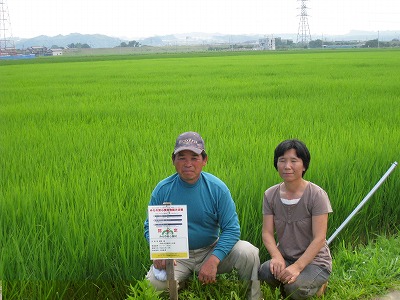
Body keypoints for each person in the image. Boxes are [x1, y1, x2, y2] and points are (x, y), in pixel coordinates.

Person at [144, 131, 261, 299]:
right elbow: (149, 226)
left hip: (209, 249)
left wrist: (214, 259)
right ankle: (180, 281)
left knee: (248, 252)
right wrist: (160, 253)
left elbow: (232, 229)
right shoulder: (163, 189)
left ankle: (253, 296)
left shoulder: (216, 188)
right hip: (177, 256)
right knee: (152, 287)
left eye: (194, 157)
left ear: (204, 160)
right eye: (182, 157)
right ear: (173, 160)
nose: (188, 163)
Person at [259, 139, 333, 299]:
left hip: (315, 262)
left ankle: (318, 286)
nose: (287, 166)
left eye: (294, 161)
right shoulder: (270, 195)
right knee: (264, 272)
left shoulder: (316, 195)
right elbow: (267, 233)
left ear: (304, 165)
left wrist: (298, 267)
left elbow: (319, 238)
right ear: (276, 164)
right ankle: (292, 283)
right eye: (282, 160)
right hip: (286, 257)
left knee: (294, 287)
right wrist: (277, 257)